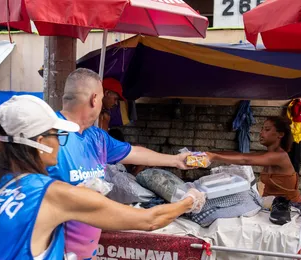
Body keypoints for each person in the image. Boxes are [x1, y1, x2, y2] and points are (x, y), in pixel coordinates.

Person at [0, 95, 204, 260]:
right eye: (58, 135)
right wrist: (189, 201)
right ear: (40, 143)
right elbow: (150, 220)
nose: (60, 143)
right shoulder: (51, 193)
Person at [47, 68, 192, 260]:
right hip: (51, 252)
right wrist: (189, 202)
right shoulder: (47, 135)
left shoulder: (96, 137)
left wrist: (175, 160)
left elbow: (134, 152)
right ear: (95, 99)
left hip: (85, 252)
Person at [206, 116, 301, 202]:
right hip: (270, 206)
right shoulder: (268, 154)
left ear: (280, 134)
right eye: (262, 129)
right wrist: (208, 154)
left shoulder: (281, 156)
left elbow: (245, 160)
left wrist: (214, 157)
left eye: (267, 129)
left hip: (290, 209)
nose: (261, 133)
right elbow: (241, 155)